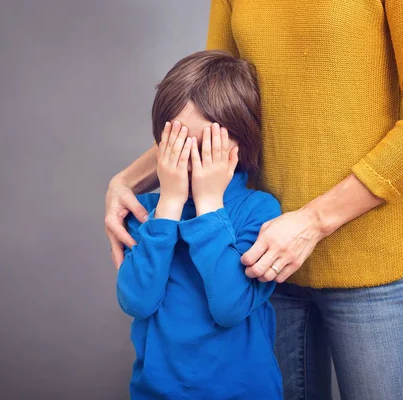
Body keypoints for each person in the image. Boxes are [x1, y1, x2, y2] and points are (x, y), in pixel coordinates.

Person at [106, 1, 403, 399]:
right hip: (257, 260)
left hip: (366, 259)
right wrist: (125, 180)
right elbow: (214, 104)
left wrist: (312, 222)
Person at [116, 50, 283, 399]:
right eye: (176, 144)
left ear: (241, 140)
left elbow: (229, 307)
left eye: (206, 145)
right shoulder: (145, 212)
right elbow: (137, 302)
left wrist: (209, 206)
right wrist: (170, 204)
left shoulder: (259, 210)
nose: (189, 158)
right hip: (156, 392)